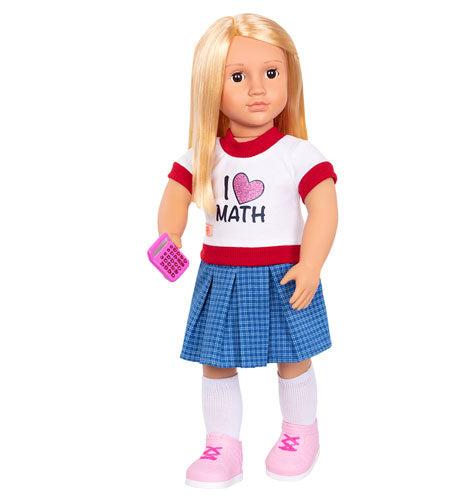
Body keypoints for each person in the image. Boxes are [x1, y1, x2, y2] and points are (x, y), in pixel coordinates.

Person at [157, 13, 338, 488]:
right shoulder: (205, 155)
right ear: (210, 86)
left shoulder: (298, 154)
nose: (258, 89)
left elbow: (324, 208)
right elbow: (175, 197)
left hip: (285, 274)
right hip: (222, 274)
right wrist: (169, 236)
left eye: (272, 73)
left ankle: (301, 432)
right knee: (216, 362)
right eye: (238, 77)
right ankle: (223, 445)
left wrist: (311, 264)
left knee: (294, 356)